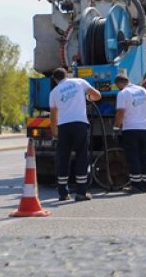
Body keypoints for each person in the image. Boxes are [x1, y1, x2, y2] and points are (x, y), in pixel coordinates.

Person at [49, 66, 102, 202]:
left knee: (63, 158)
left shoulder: (54, 92)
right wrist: (88, 97)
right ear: (66, 75)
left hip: (64, 127)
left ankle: (63, 193)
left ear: (55, 80)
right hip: (80, 124)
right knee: (81, 156)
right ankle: (81, 193)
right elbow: (97, 95)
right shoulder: (79, 82)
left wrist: (55, 132)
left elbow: (53, 115)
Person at [113, 72, 146, 193]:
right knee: (144, 156)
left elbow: (120, 112)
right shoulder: (142, 91)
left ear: (119, 84)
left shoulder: (123, 93)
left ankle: (136, 185)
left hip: (130, 128)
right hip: (145, 128)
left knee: (133, 157)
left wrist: (116, 128)